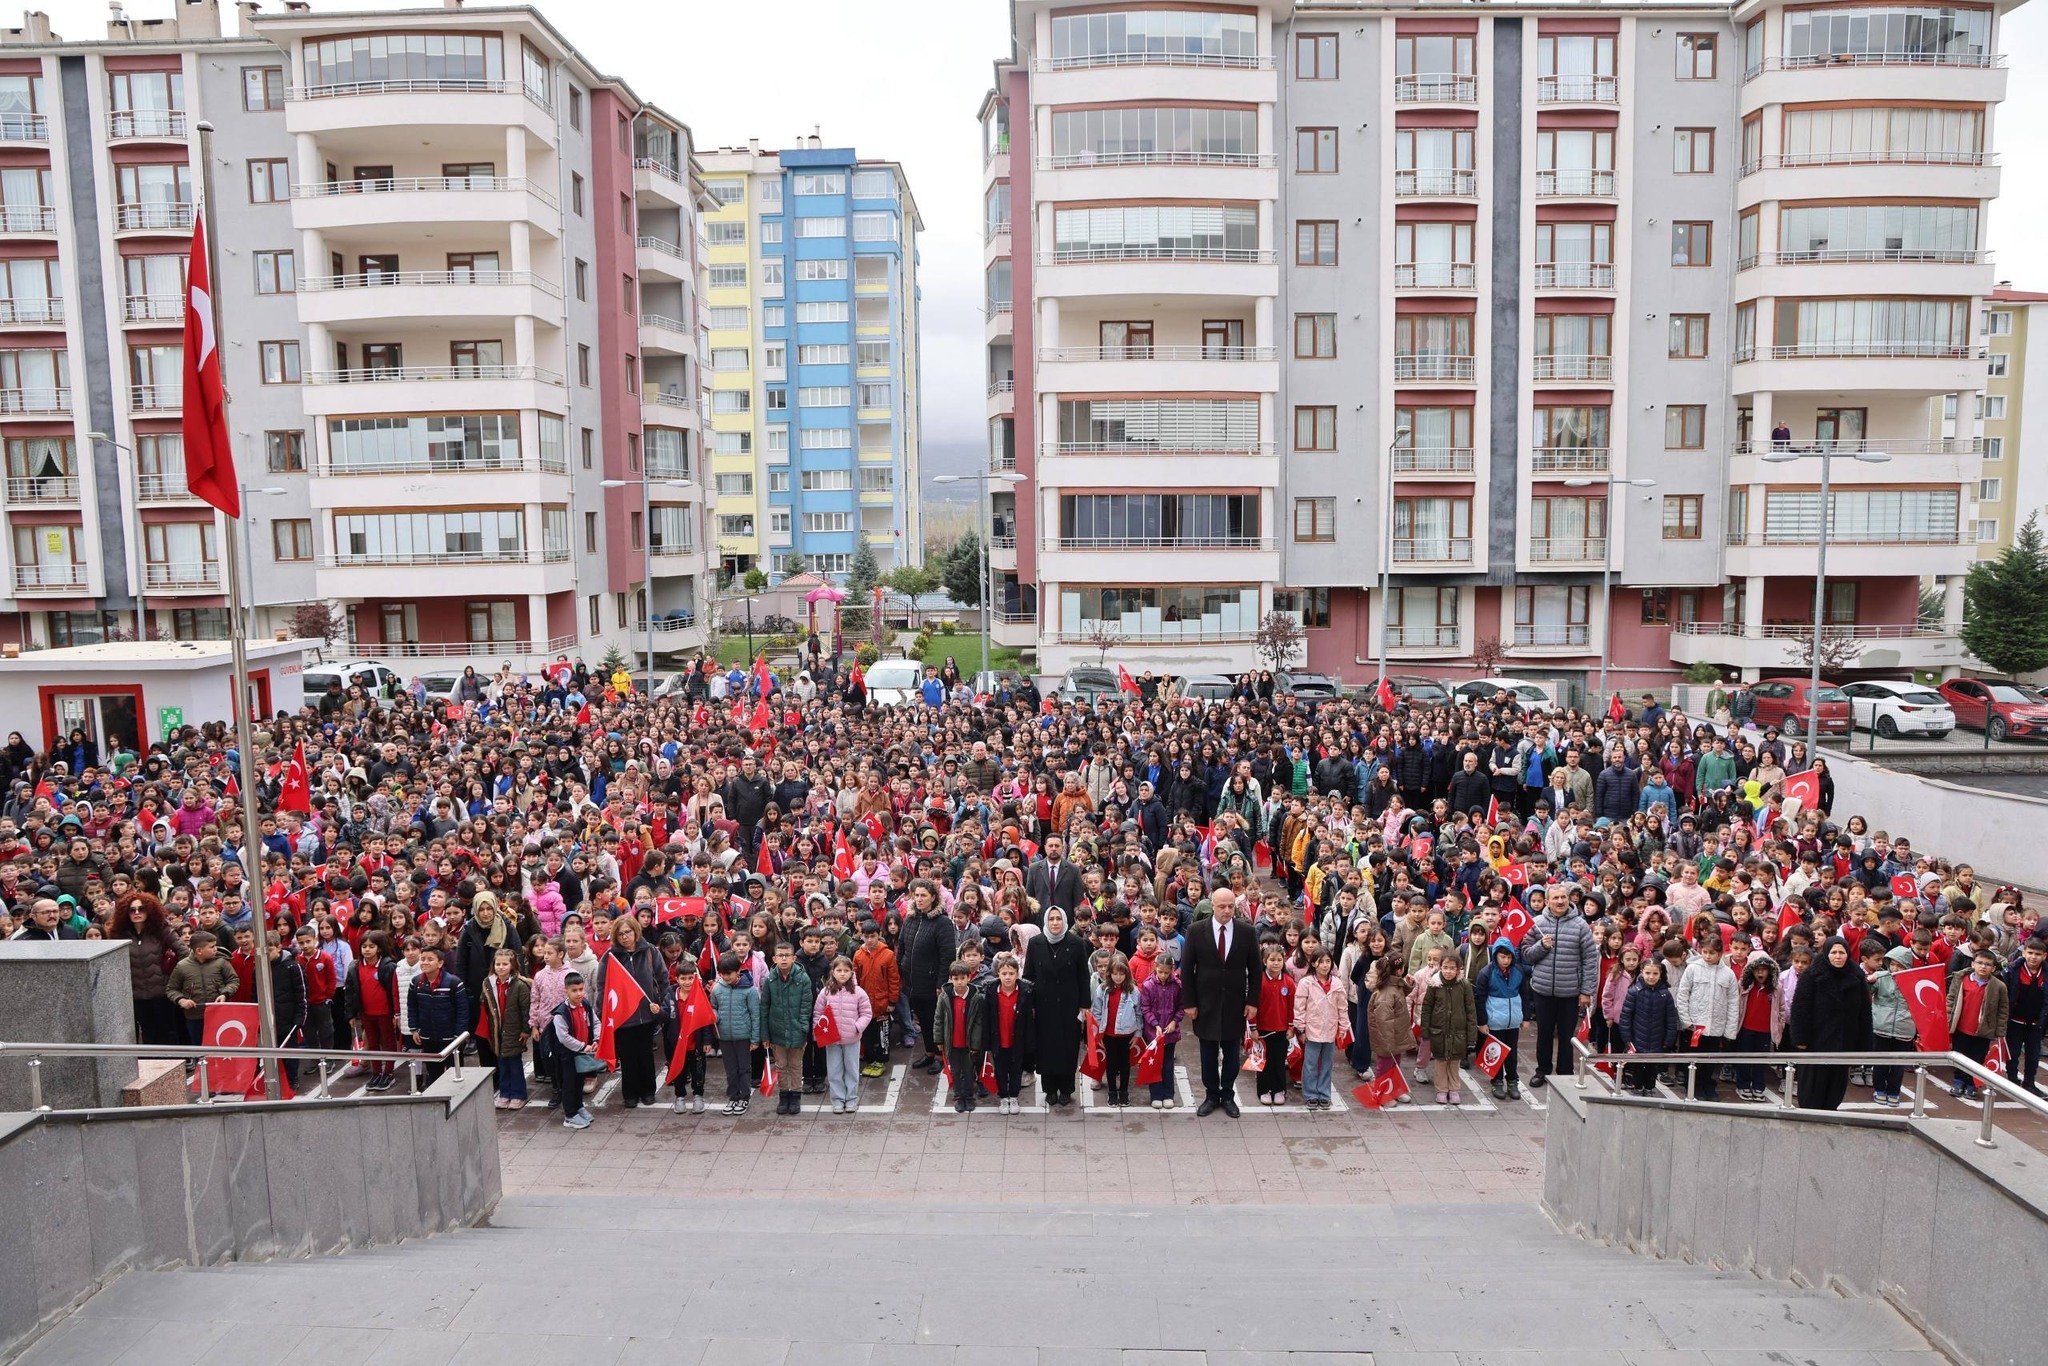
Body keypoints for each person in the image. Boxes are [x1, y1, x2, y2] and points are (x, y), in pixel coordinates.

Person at [1180, 887, 1260, 1117]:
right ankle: (1211, 1094)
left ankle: (1227, 1094)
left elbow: (1255, 969)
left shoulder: (1246, 931)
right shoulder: (1196, 931)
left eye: (1231, 906)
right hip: (1206, 1003)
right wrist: (1190, 1002)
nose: (1227, 911)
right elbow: (1186, 969)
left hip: (1235, 1003)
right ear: (1212, 906)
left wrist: (1252, 1001)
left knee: (1232, 1053)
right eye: (1222, 906)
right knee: (1207, 1052)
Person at [1519, 891, 1598, 1087]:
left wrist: (1586, 991)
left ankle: (1565, 1072)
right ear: (1547, 901)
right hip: (1542, 990)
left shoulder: (1580, 925)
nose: (1560, 901)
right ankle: (1542, 1070)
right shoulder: (1537, 922)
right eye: (1555, 898)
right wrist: (1541, 946)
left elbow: (1590, 960)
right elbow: (1526, 954)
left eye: (1563, 897)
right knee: (1544, 1034)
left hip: (1570, 991)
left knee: (1566, 1036)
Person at [1789, 936, 1872, 1111]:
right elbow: (1800, 1009)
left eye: (1841, 952)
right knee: (1812, 1084)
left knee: (1836, 1084)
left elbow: (1864, 1013)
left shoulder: (1856, 976)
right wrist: (1800, 1039)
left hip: (1844, 1041)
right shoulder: (1812, 975)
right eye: (1833, 952)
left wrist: (1863, 1044)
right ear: (1826, 954)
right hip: (1816, 1041)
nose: (1837, 956)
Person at [595, 916, 666, 1109]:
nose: (625, 937)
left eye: (628, 932)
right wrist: (602, 1012)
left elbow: (662, 978)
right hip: (623, 1017)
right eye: (620, 934)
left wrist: (661, 1005)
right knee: (627, 1057)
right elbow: (602, 986)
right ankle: (630, 1094)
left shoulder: (650, 951)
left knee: (645, 1055)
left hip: (646, 1014)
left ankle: (648, 1091)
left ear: (636, 931)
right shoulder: (610, 957)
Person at [1024, 906, 1090, 1108]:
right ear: (1046, 921)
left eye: (1058, 918)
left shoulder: (1077, 943)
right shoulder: (1035, 944)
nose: (1054, 922)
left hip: (1069, 1006)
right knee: (1046, 1049)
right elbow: (1028, 976)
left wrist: (1084, 1005)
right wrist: (1031, 1005)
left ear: (1064, 920)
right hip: (1044, 1006)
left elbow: (1083, 977)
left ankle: (1066, 1089)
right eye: (1051, 919)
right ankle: (1050, 1089)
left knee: (1068, 1048)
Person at [1675, 935, 1739, 1101]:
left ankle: (1707, 1084)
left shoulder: (1728, 974)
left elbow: (1733, 1002)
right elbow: (1683, 994)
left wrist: (1729, 1030)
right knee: (1693, 1057)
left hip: (1716, 1026)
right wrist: (1687, 1020)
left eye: (1712, 953)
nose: (1708, 956)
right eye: (1705, 952)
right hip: (1695, 1025)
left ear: (1720, 953)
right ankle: (1693, 1086)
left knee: (1710, 1059)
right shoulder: (1693, 969)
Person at [760, 938, 816, 1116]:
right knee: (781, 1065)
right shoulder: (769, 979)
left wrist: (802, 1027)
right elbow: (764, 1007)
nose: (784, 959)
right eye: (780, 956)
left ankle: (796, 1095)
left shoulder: (803, 978)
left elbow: (807, 1006)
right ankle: (784, 1095)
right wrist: (765, 1034)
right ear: (774, 959)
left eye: (787, 955)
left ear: (794, 958)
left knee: (796, 1065)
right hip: (776, 1031)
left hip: (797, 1031)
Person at [1947, 948, 2010, 1099]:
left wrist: (2000, 1032)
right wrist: (1948, 1020)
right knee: (1959, 1055)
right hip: (1961, 1028)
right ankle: (1958, 1081)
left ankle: (1971, 1084)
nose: (1983, 966)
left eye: (1988, 964)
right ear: (1973, 964)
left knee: (1977, 1058)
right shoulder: (1961, 979)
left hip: (1983, 1031)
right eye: (1980, 963)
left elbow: (2003, 1010)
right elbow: (1951, 1000)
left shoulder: (1999, 986)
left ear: (1994, 968)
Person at [812, 954, 872, 1115]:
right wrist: (817, 1032)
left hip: (852, 1038)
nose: (843, 973)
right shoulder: (825, 992)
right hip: (832, 1039)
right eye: (839, 970)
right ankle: (837, 1099)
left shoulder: (859, 992)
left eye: (846, 970)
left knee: (852, 1070)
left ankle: (851, 1098)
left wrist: (857, 1027)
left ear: (852, 972)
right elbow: (818, 1013)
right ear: (833, 972)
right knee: (834, 1070)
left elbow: (866, 1013)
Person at [343, 932, 400, 1092]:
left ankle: (388, 1072)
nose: (367, 950)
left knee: (388, 1043)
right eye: (364, 946)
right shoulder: (355, 966)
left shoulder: (388, 966)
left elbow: (394, 992)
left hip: (385, 1013)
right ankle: (376, 1072)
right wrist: (352, 1014)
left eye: (371, 946)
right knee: (372, 1044)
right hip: (366, 1014)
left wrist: (396, 1013)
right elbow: (351, 992)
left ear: (380, 949)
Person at [406, 945, 467, 1088]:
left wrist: (459, 1035)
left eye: (430, 959)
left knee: (455, 1071)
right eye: (422, 959)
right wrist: (414, 1029)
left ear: (440, 963)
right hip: (427, 1036)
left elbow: (462, 1011)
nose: (425, 962)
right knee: (433, 1071)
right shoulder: (415, 983)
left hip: (450, 1037)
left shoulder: (454, 983)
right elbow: (412, 1007)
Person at [1293, 948, 1346, 1111]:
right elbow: (1299, 1007)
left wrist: (1343, 1026)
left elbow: (1342, 1008)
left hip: (1330, 1030)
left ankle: (1324, 1093)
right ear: (1314, 963)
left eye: (1328, 961)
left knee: (1327, 1064)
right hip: (1312, 1030)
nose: (1324, 965)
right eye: (1321, 962)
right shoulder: (1306, 983)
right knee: (1310, 1064)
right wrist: (1300, 1028)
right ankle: (1310, 1094)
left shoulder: (1337, 983)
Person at [479, 946, 532, 1110]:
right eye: (498, 964)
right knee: (501, 1062)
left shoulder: (520, 985)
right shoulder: (488, 982)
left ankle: (518, 1094)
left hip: (514, 1030)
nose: (500, 967)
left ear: (512, 966)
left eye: (504, 964)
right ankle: (505, 1093)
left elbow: (526, 1009)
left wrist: (525, 1030)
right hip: (497, 1029)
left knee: (514, 1063)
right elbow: (485, 1004)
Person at [1473, 939, 1526, 1101]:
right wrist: (1482, 1022)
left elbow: (1525, 994)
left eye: (1509, 957)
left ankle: (1512, 1081)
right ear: (1496, 956)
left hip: (1513, 1022)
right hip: (1495, 1022)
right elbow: (1479, 999)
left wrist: (1526, 1016)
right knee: (1495, 1053)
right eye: (1503, 957)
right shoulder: (1486, 973)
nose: (1506, 961)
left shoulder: (1518, 971)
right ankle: (1496, 1081)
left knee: (1512, 1054)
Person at [1421, 953, 1477, 1106]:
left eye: (1452, 968)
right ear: (1440, 967)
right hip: (1439, 1031)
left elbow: (1471, 1011)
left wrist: (1472, 1037)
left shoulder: (1464, 985)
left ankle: (1454, 1089)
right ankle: (1441, 1089)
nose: (1448, 971)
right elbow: (1427, 1008)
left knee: (1454, 1062)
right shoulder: (1434, 984)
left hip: (1458, 1032)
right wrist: (1425, 1030)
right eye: (1445, 967)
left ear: (1459, 970)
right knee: (1440, 1061)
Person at [166, 929, 238, 1048]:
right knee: (199, 1047)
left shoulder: (221, 962)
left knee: (221, 1046)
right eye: (212, 947)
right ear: (199, 950)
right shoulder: (182, 966)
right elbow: (171, 989)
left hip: (219, 1013)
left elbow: (233, 980)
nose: (216, 949)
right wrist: (181, 1000)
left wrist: (225, 994)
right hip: (194, 1017)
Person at [710, 951, 762, 1116]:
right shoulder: (717, 989)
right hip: (725, 1036)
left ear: (738, 970)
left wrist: (755, 1039)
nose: (725, 977)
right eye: (722, 974)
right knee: (730, 1069)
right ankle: (733, 1096)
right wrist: (714, 1016)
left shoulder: (750, 990)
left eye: (729, 974)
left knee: (744, 1068)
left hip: (743, 1037)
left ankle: (744, 1097)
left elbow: (755, 1015)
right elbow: (713, 1008)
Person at [984, 951, 1036, 1114]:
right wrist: (986, 1042)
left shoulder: (1025, 992)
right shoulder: (991, 992)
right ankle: (1003, 1096)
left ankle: (1013, 1096)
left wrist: (1029, 1042)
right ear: (997, 974)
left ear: (1017, 974)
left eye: (1011, 973)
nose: (1007, 977)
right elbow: (986, 1018)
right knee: (1000, 1070)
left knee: (1016, 1070)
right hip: (998, 1040)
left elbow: (1029, 1020)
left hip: (1017, 1040)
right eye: (1004, 973)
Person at [1618, 959, 1678, 1096]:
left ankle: (1650, 1087)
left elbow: (1670, 1019)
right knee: (1638, 1066)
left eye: (1655, 973)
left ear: (1660, 974)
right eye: (1648, 973)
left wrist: (1669, 1040)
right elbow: (1626, 1016)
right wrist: (1627, 1039)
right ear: (1642, 972)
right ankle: (1638, 1087)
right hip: (1637, 1038)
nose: (1651, 977)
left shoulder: (1665, 994)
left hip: (1658, 1039)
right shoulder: (1634, 992)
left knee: (1652, 1066)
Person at [1089, 950, 1141, 1108]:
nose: (1118, 977)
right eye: (1114, 973)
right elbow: (1096, 1012)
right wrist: (1098, 1034)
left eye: (1121, 973)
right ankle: (1112, 1092)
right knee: (1110, 1065)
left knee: (1125, 1065)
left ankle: (1124, 1092)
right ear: (1109, 973)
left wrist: (1138, 1033)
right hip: (1108, 1034)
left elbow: (1139, 1014)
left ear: (1127, 973)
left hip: (1126, 1034)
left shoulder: (1133, 991)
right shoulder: (1102, 990)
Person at [550, 971, 599, 1130]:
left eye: (581, 989)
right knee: (569, 1084)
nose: (579, 993)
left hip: (581, 1053)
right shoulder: (561, 1013)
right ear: (566, 991)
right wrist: (583, 1046)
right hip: (567, 1056)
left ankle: (578, 1107)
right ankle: (570, 1115)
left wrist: (596, 1039)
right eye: (574, 990)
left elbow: (596, 1022)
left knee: (579, 1082)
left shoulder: (585, 1005)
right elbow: (563, 1038)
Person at [931, 961, 983, 1113]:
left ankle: (969, 1096)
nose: (959, 982)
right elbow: (938, 1019)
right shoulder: (944, 996)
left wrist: (975, 1044)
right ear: (951, 979)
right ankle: (958, 1096)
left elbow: (979, 1024)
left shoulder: (976, 997)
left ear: (969, 978)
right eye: (956, 978)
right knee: (955, 1071)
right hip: (951, 1043)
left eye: (962, 978)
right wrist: (939, 1040)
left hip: (968, 1046)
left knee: (968, 1071)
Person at [1138, 949, 1182, 1111]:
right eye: (1160, 972)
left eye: (1166, 972)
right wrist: (1155, 1024)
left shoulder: (1177, 986)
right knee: (1154, 1064)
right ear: (1155, 968)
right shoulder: (1148, 985)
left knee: (1168, 1065)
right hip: (1153, 1034)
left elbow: (1181, 1007)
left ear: (1172, 970)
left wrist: (1174, 1022)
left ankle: (1168, 1094)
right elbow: (1145, 1008)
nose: (1163, 975)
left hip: (1170, 1034)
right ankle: (1156, 1095)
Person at [1251, 940, 1294, 1106]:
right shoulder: (1259, 982)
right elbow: (1252, 1006)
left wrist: (1291, 1027)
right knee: (1263, 1061)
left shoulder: (1288, 982)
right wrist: (1253, 1028)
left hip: (1282, 1030)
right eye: (1272, 960)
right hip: (1262, 1029)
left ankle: (1278, 1090)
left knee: (1278, 1061)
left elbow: (1292, 1007)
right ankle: (1263, 1090)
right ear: (1264, 961)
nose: (1276, 963)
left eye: (1279, 960)